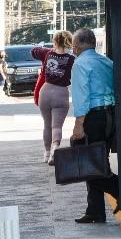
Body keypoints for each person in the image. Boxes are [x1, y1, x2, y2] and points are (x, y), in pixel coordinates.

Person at [69, 28, 118, 224]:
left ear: (78, 45)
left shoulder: (80, 64)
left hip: (94, 118)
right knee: (97, 160)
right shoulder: (106, 61)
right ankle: (95, 210)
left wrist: (78, 125)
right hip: (110, 116)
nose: (72, 48)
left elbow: (82, 96)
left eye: (73, 44)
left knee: (91, 165)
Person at [32, 32, 75, 165]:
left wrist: (44, 48)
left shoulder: (47, 53)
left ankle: (46, 154)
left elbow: (33, 51)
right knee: (57, 126)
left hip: (45, 92)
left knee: (47, 125)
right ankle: (54, 149)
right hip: (61, 93)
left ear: (54, 41)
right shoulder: (72, 59)